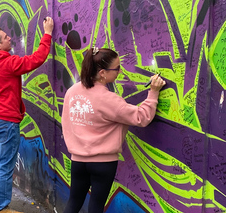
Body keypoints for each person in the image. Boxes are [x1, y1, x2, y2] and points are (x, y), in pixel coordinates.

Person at [61, 47, 165, 213]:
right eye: (116, 68)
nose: (119, 71)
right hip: (103, 163)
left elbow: (66, 121)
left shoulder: (72, 92)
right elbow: (141, 117)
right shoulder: (109, 99)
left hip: (78, 161)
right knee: (96, 207)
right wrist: (153, 92)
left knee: (73, 203)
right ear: (102, 73)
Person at [0, 17, 54, 213]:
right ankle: (1, 208)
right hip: (7, 122)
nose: (10, 38)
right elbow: (36, 59)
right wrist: (47, 34)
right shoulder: (8, 63)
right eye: (5, 37)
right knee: (5, 166)